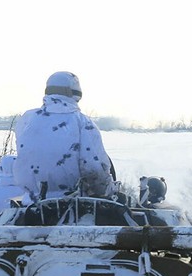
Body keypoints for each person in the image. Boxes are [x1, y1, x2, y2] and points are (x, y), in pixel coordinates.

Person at [12, 71, 115, 202]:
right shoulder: (83, 123)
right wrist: (108, 190)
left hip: (29, 202)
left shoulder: (27, 119)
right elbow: (94, 170)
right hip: (70, 206)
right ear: (76, 93)